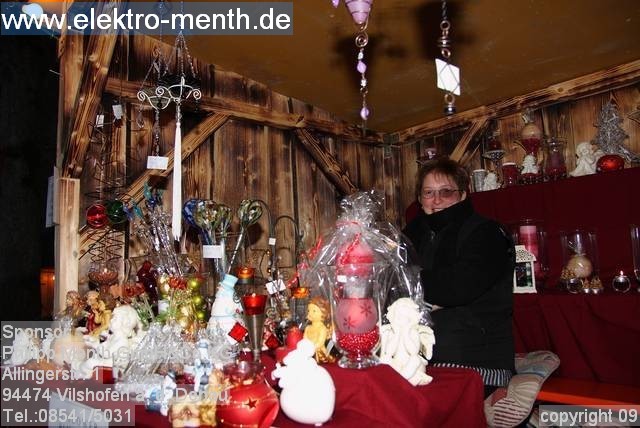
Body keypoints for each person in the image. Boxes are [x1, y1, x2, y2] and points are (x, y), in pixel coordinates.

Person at [402, 157, 515, 397]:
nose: (436, 200)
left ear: (463, 194)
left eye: (446, 192)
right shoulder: (413, 233)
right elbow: (390, 280)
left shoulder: (487, 233)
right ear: (420, 198)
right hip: (421, 355)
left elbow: (457, 288)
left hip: (475, 357)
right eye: (428, 193)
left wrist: (411, 284)